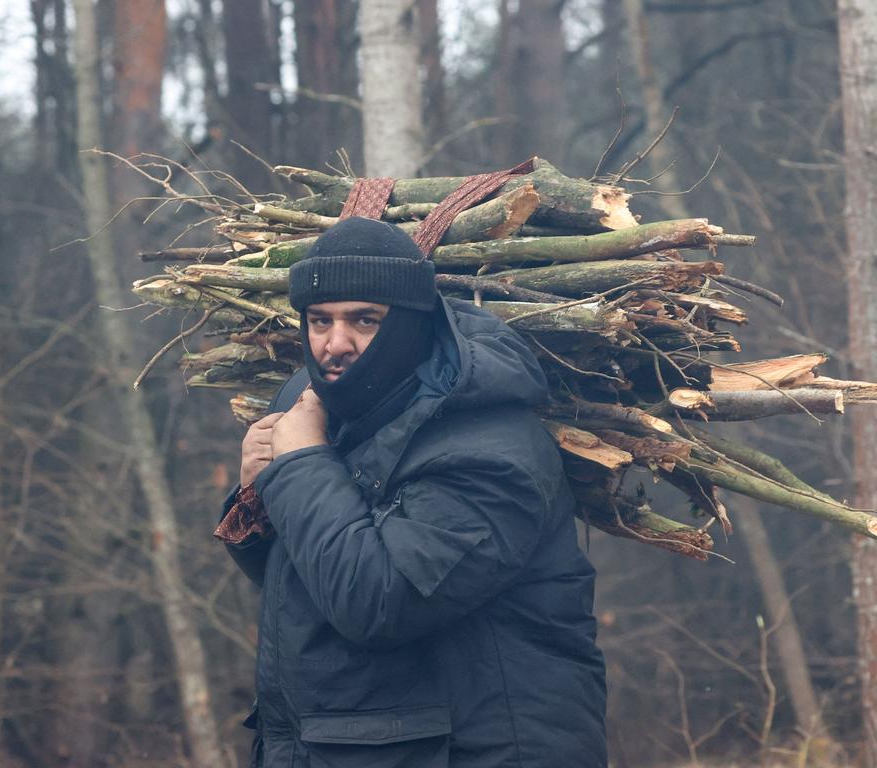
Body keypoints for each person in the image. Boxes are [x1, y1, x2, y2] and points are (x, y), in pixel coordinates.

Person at [215, 216, 607, 767]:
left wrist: (301, 463)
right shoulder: (333, 408)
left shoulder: (490, 451)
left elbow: (376, 602)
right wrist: (258, 498)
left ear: (410, 324)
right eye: (318, 320)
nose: (336, 344)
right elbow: (308, 588)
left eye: (365, 320)